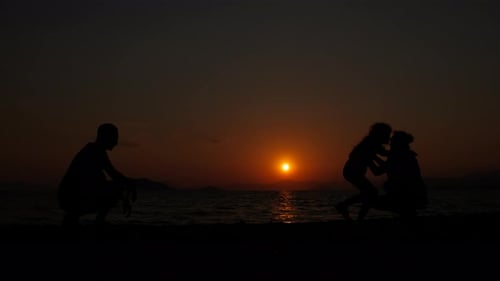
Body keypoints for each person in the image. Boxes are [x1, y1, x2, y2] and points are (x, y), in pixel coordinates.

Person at [57, 123, 136, 228]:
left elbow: (110, 176)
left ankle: (73, 218)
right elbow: (113, 174)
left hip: (68, 196)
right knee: (115, 188)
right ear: (106, 137)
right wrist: (128, 188)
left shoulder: (94, 151)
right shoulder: (96, 152)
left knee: (113, 187)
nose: (116, 142)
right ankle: (96, 222)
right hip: (71, 197)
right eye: (114, 138)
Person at [335, 122, 392, 221]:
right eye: (387, 134)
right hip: (352, 171)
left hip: (351, 171)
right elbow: (382, 160)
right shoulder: (370, 144)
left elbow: (382, 156)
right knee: (371, 192)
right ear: (381, 134)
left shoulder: (371, 143)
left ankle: (354, 214)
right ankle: (344, 206)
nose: (389, 137)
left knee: (370, 192)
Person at [370, 131, 428, 219]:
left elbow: (378, 171)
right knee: (408, 214)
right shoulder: (406, 154)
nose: (390, 144)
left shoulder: (398, 156)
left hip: (405, 194)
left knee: (373, 202)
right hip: (414, 193)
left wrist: (369, 158)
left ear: (397, 143)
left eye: (392, 142)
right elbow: (386, 166)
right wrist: (374, 157)